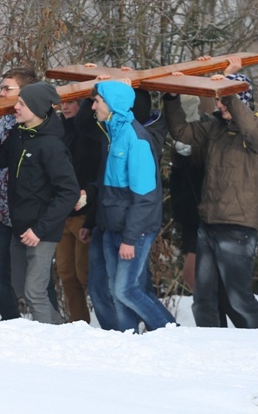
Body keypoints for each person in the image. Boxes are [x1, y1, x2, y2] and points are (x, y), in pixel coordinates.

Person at [163, 58, 258, 329]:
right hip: (208, 223)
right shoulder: (214, 129)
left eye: (224, 100)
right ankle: (213, 349)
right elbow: (181, 131)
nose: (219, 105)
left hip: (237, 226)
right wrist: (173, 95)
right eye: (219, 100)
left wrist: (227, 85)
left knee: (237, 298)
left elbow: (250, 127)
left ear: (240, 100)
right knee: (203, 299)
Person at [0, 82, 79, 324]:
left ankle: (49, 345)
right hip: (19, 227)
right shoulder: (19, 134)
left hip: (41, 231)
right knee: (22, 288)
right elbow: (0, 158)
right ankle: (61, 333)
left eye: (22, 104)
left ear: (36, 108)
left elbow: (68, 192)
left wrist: (40, 229)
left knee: (35, 292)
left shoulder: (51, 146)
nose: (15, 107)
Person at [91, 80, 175, 333]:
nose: (92, 106)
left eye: (97, 101)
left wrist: (130, 237)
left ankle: (171, 331)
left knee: (126, 289)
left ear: (112, 104)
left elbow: (146, 196)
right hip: (111, 227)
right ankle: (127, 340)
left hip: (133, 230)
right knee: (117, 292)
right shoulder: (112, 133)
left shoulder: (136, 139)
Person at [0, 67, 43, 321]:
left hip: (32, 220)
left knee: (35, 284)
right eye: (0, 88)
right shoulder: (2, 124)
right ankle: (13, 326)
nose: (1, 93)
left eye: (7, 89)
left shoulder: (38, 124)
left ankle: (54, 330)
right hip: (6, 219)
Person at [56, 99, 92, 323]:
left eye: (71, 102)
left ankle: (113, 326)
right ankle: (79, 325)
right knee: (66, 274)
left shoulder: (91, 133)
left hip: (84, 212)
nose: (65, 107)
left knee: (85, 273)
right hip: (62, 213)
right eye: (63, 103)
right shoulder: (58, 131)